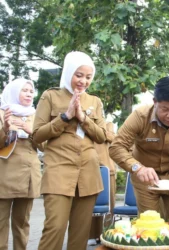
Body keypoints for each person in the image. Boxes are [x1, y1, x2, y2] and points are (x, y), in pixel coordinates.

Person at [32, 51, 106, 250]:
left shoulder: (94, 102)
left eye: (88, 77)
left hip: (88, 174)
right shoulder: (50, 96)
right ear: (68, 72)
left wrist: (83, 118)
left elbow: (102, 136)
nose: (83, 81)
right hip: (58, 170)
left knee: (80, 234)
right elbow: (37, 135)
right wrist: (65, 117)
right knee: (54, 227)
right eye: (78, 75)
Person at [109, 76, 169, 221]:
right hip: (145, 178)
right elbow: (116, 147)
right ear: (155, 102)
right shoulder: (140, 117)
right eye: (165, 109)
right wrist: (137, 168)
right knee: (150, 224)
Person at [0, 79, 42, 250]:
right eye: (24, 90)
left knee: (22, 222)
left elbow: (46, 146)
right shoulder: (3, 113)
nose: (29, 94)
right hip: (4, 175)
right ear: (14, 91)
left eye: (31, 91)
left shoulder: (36, 115)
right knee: (1, 222)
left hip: (29, 177)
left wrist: (30, 130)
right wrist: (5, 130)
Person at [88, 121, 116, 246]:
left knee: (109, 205)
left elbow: (114, 139)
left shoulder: (108, 124)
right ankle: (91, 235)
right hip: (88, 167)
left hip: (107, 169)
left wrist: (104, 132)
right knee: (89, 203)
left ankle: (108, 233)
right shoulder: (83, 121)